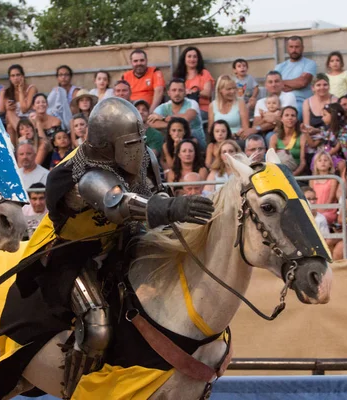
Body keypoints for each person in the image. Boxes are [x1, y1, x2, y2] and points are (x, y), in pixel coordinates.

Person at [15, 97, 214, 398]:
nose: (137, 149)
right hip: (71, 254)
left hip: (123, 245)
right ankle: (75, 390)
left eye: (139, 141)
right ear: (108, 145)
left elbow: (155, 196)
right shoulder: (77, 174)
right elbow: (118, 203)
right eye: (129, 143)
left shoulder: (147, 158)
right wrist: (172, 207)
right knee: (97, 326)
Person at [148, 78, 206, 150]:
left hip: (197, 148)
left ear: (185, 92)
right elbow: (151, 122)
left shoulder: (192, 103)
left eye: (180, 90)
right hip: (171, 147)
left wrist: (164, 119)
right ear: (169, 92)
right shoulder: (163, 107)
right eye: (174, 90)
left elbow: (186, 118)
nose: (177, 93)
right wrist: (173, 126)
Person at [274, 36, 316, 115]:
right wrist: (294, 84)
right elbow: (274, 85)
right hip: (280, 101)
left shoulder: (309, 64)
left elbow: (302, 82)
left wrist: (282, 82)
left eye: (297, 47)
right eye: (291, 47)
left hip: (300, 102)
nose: (294, 50)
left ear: (302, 48)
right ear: (287, 48)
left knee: (286, 115)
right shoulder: (279, 67)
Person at [251, 71, 298, 139]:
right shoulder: (260, 102)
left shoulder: (289, 96)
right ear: (266, 85)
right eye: (270, 82)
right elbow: (255, 124)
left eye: (276, 81)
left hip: (283, 131)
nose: (273, 84)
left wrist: (264, 118)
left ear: (282, 84)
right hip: (262, 132)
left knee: (270, 136)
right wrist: (273, 119)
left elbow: (286, 120)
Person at [172, 46, 215, 118]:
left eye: (195, 57)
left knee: (183, 117)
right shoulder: (178, 75)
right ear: (184, 59)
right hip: (182, 108)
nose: (192, 59)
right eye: (189, 56)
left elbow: (208, 93)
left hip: (202, 109)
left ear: (198, 59)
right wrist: (183, 92)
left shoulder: (204, 73)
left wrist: (193, 92)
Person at [0, 64, 37, 139]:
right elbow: (1, 110)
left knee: (10, 125)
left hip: (30, 118)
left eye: (18, 75)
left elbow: (24, 109)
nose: (15, 78)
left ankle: (23, 135)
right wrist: (2, 95)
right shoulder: (8, 92)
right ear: (10, 78)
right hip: (16, 120)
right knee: (9, 120)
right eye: (12, 76)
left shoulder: (32, 88)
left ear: (23, 76)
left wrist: (21, 91)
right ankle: (15, 149)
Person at [269, 106, 307, 175]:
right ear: (281, 119)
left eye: (293, 115)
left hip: (296, 172)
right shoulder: (274, 138)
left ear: (296, 119)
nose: (290, 118)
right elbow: (271, 160)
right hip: (279, 173)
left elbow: (303, 162)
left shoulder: (302, 137)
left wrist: (293, 175)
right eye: (286, 115)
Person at [310, 152, 338, 225]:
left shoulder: (333, 179)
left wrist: (320, 212)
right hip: (314, 209)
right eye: (319, 160)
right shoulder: (312, 179)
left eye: (325, 160)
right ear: (315, 164)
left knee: (320, 219)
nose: (323, 162)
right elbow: (310, 197)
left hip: (328, 211)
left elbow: (331, 198)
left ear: (330, 164)